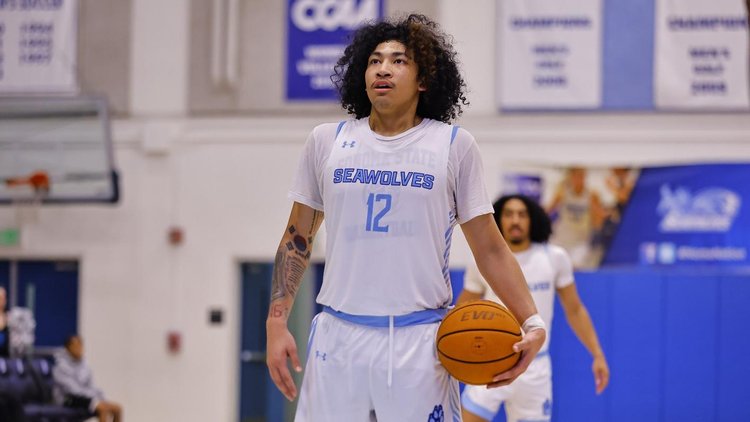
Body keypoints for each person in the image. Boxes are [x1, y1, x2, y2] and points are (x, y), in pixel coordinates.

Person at [266, 13, 547, 421]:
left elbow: (490, 248)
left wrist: (533, 321)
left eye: (399, 60)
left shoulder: (453, 146)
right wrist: (277, 322)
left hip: (419, 342)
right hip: (338, 338)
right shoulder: (327, 141)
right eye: (374, 59)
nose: (383, 68)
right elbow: (297, 238)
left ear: (423, 80)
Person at [458, 195, 610, 422]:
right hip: (491, 360)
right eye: (509, 214)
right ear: (499, 219)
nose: (515, 220)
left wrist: (597, 354)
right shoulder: (483, 261)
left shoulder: (554, 257)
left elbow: (575, 310)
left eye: (522, 214)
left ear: (532, 220)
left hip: (535, 366)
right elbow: (462, 309)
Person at [52, 335, 123, 422]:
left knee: (117, 409)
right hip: (69, 399)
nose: (79, 348)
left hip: (86, 397)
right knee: (103, 409)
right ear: (68, 348)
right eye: (75, 346)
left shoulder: (84, 364)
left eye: (80, 345)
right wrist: (93, 398)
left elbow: (91, 385)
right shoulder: (61, 366)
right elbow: (73, 390)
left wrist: (100, 396)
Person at [546, 167, 606, 269]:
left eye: (581, 176)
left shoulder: (591, 194)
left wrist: (600, 218)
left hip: (580, 240)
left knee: (576, 268)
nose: (579, 179)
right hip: (562, 238)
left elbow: (599, 219)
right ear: (571, 177)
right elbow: (548, 210)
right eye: (576, 176)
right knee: (556, 267)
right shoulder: (562, 192)